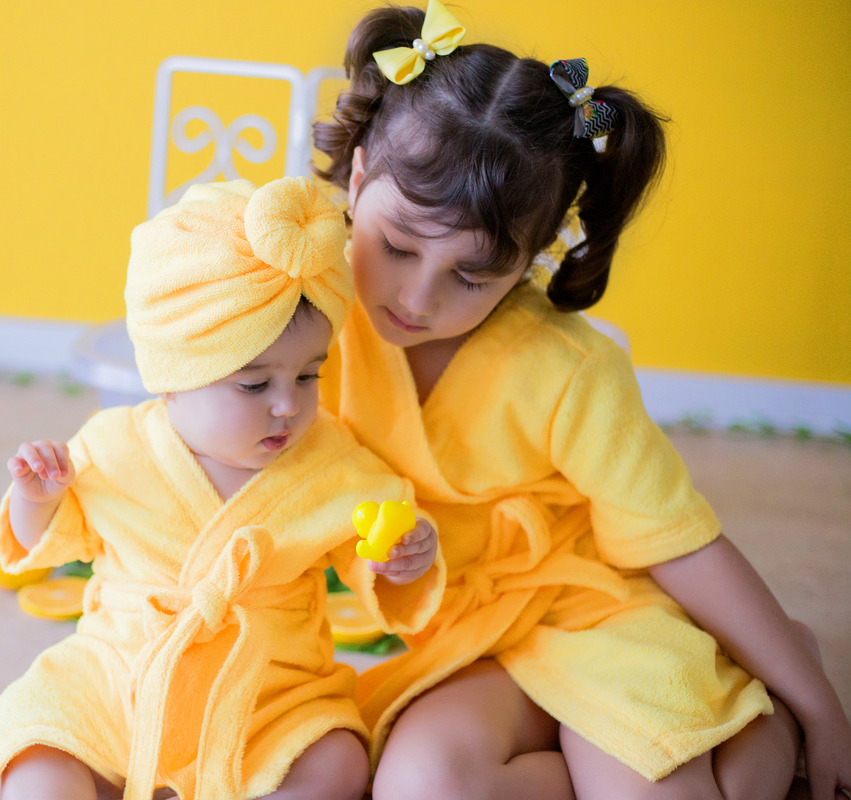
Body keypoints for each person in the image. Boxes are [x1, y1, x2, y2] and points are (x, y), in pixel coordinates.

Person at [311, 3, 851, 799]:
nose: (417, 298)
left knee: (674, 788)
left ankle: (763, 687)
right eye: (396, 246)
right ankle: (728, 684)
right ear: (357, 177)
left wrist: (826, 709)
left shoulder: (569, 367)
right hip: (472, 635)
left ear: (533, 257)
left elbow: (680, 543)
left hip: (603, 614)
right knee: (420, 785)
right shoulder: (310, 302)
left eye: (474, 276)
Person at [0, 177, 444, 800]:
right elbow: (41, 545)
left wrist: (403, 555)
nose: (287, 405)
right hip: (120, 682)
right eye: (254, 386)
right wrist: (37, 498)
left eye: (308, 376)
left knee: (338, 760)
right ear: (172, 378)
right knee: (37, 748)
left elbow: (372, 556)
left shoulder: (334, 464)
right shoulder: (113, 447)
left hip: (268, 696)